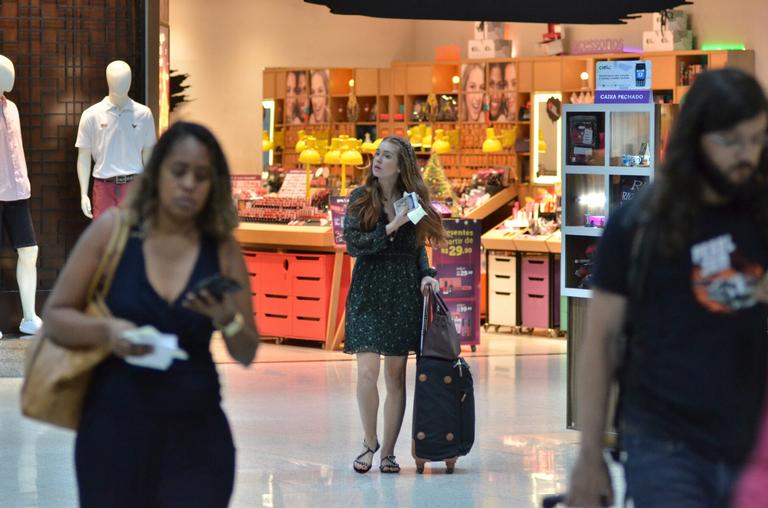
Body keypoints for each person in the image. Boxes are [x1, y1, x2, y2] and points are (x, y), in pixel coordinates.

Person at [566, 68, 768, 507]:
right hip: (663, 444)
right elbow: (600, 343)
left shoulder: (759, 215)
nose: (746, 155)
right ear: (694, 140)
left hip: (753, 447)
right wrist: (588, 456)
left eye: (756, 139)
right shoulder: (637, 225)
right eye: (730, 141)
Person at [42, 122, 260, 507]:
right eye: (179, 172)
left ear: (214, 186)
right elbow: (57, 315)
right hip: (114, 432)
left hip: (196, 436)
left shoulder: (221, 249)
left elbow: (246, 352)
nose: (189, 184)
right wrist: (107, 332)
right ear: (157, 173)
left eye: (201, 176)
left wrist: (229, 320)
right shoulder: (114, 231)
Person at [343, 135, 446, 474]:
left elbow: (418, 246)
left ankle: (388, 452)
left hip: (403, 291)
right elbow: (355, 244)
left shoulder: (412, 201)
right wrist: (392, 225)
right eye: (377, 154)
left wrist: (426, 274)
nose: (379, 160)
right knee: (367, 372)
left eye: (387, 156)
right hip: (369, 289)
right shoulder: (360, 199)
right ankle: (368, 442)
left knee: (396, 376)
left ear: (401, 166)